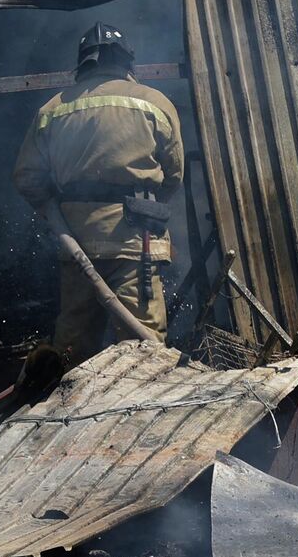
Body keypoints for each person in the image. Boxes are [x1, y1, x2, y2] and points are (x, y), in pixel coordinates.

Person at [13, 22, 184, 364]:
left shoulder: (53, 109)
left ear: (84, 64)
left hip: (77, 246)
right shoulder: (155, 103)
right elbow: (174, 174)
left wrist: (57, 214)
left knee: (73, 346)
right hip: (137, 243)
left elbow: (27, 177)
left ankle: (68, 411)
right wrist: (147, 205)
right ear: (127, 62)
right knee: (144, 346)